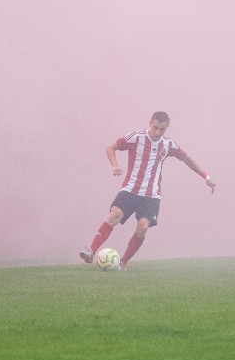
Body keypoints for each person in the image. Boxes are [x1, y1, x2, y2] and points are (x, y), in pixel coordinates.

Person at [79, 111, 216, 270]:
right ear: (150, 123)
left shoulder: (168, 144)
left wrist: (206, 177)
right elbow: (111, 147)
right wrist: (115, 165)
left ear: (167, 128)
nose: (158, 132)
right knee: (115, 215)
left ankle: (122, 263)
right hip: (130, 190)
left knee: (143, 226)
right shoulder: (136, 138)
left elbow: (186, 158)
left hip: (151, 196)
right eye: (155, 128)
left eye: (162, 130)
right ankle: (91, 251)